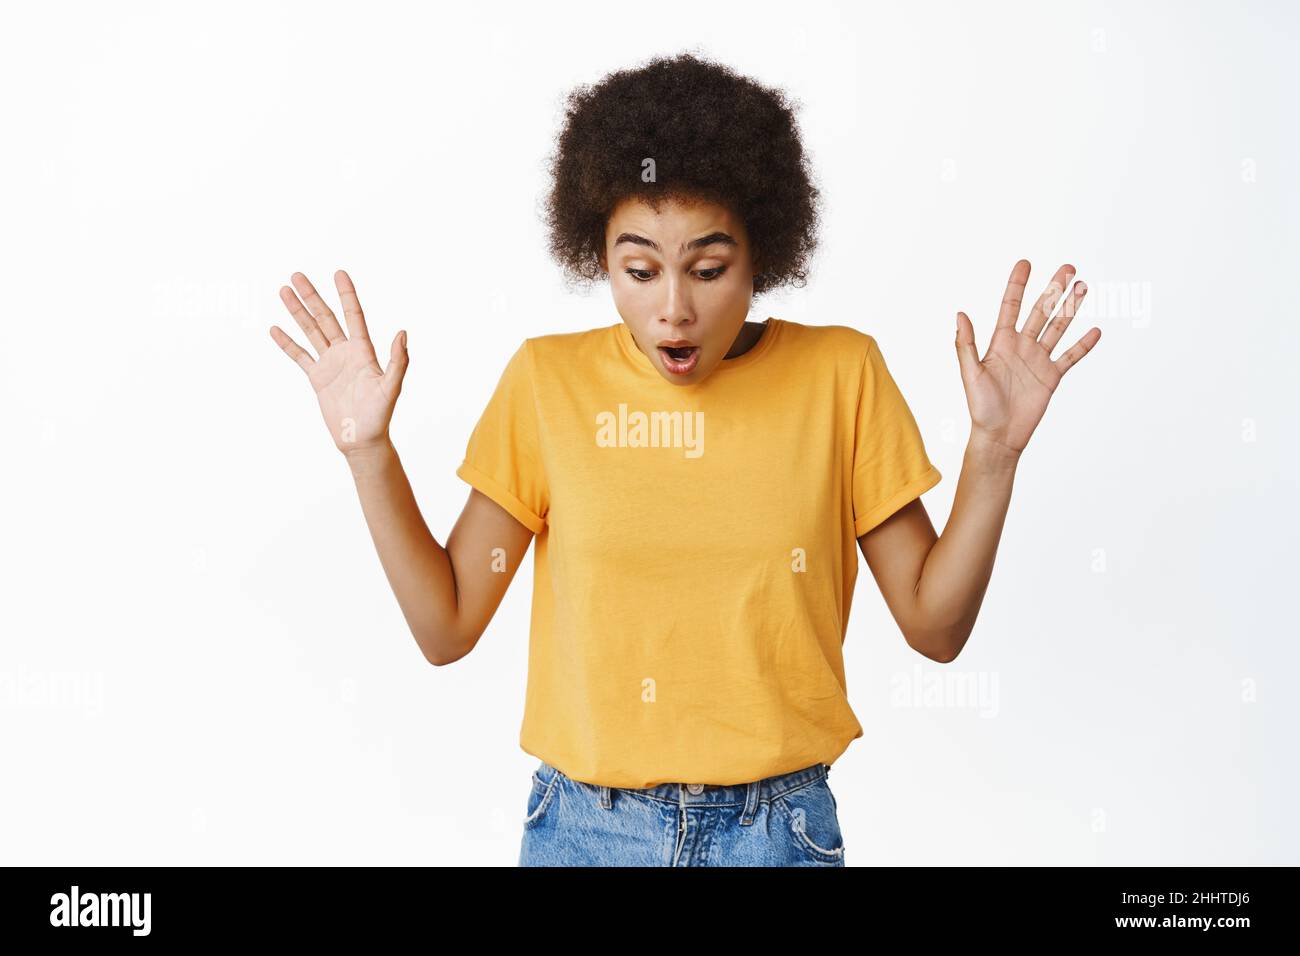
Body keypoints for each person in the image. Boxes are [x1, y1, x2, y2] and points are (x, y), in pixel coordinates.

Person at [268, 51, 1100, 867]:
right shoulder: (547, 384)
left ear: (762, 256)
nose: (673, 310)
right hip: (584, 833)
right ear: (598, 257)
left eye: (708, 269)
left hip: (777, 833)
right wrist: (367, 452)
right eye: (638, 269)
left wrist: (994, 454)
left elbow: (935, 628)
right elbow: (446, 626)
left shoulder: (840, 376)